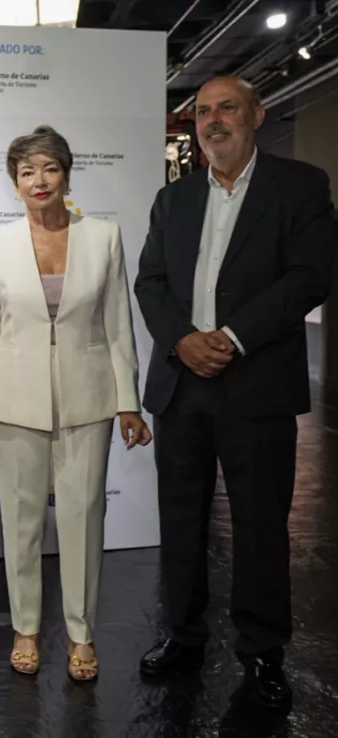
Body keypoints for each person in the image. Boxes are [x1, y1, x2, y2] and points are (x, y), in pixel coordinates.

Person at [133, 75, 333, 709]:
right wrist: (185, 341)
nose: (213, 120)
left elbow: (309, 277)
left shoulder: (300, 187)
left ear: (257, 115)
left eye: (227, 109)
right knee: (182, 521)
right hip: (182, 384)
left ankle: (263, 652)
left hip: (257, 384)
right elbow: (151, 282)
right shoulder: (174, 198)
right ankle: (183, 636)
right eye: (202, 112)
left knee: (261, 526)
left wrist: (232, 337)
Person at [0, 125, 151, 682]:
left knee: (83, 519)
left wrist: (128, 401)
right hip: (13, 403)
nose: (39, 180)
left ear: (66, 174)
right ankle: (25, 628)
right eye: (26, 172)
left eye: (49, 168)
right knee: (20, 523)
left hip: (89, 400)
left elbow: (118, 324)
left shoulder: (104, 236)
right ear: (14, 183)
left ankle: (81, 633)